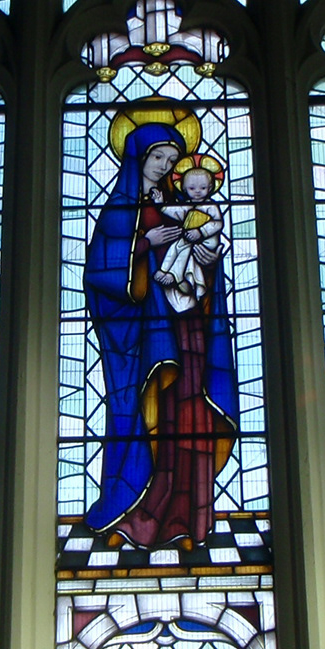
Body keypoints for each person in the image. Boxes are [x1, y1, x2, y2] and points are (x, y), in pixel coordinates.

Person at [81, 102, 238, 551]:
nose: (165, 168)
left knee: (189, 416)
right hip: (139, 344)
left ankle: (190, 521)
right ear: (137, 159)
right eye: (157, 159)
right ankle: (134, 516)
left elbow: (204, 262)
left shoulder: (183, 206)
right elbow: (99, 276)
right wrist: (143, 245)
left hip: (184, 329)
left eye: (171, 161)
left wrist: (208, 265)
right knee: (146, 420)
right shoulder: (116, 212)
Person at [153, 154, 225, 315]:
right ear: (184, 189)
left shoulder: (210, 206)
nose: (198, 192)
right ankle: (166, 271)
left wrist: (200, 231)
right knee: (177, 247)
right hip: (190, 241)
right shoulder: (187, 206)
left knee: (184, 250)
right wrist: (161, 206)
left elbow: (218, 223)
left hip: (206, 243)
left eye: (203, 188)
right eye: (192, 188)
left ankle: (176, 277)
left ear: (211, 188)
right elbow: (177, 212)